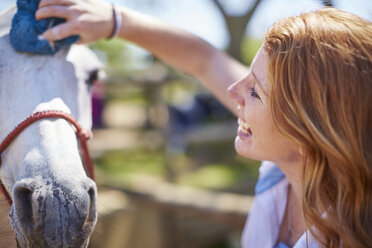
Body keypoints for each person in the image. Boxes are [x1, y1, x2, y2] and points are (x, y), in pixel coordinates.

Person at [36, 1, 372, 247]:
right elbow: (205, 60)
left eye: (254, 90)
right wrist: (114, 20)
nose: (233, 91)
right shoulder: (282, 169)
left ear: (307, 129)